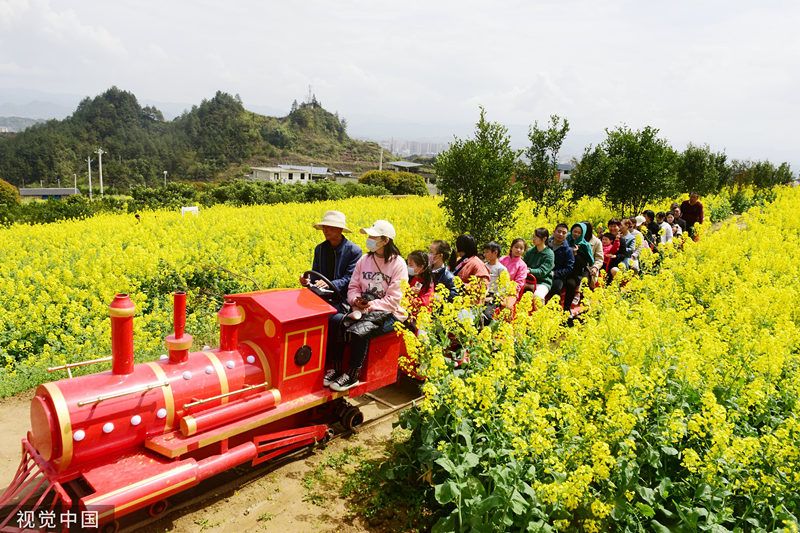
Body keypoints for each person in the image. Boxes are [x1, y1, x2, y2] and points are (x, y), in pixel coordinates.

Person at [326, 220, 407, 392]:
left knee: (361, 329)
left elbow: (393, 300)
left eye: (373, 236)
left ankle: (353, 374)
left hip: (390, 313)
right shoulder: (364, 260)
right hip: (362, 308)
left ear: (385, 241)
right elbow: (353, 287)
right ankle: (336, 368)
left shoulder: (398, 264)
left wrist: (369, 306)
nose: (369, 239)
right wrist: (355, 300)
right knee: (339, 322)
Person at [300, 210, 362, 299]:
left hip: (342, 298)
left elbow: (350, 278)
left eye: (329, 227)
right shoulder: (320, 249)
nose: (325, 230)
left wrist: (330, 284)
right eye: (324, 227)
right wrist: (307, 280)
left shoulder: (354, 251)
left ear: (340, 229)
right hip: (321, 295)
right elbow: (315, 273)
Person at [451, 234, 490, 301]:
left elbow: (482, 287)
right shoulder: (462, 260)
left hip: (469, 306)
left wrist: (460, 285)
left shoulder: (477, 264)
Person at [564, 223, 593, 310]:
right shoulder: (565, 240)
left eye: (579, 233)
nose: (576, 234)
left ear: (583, 234)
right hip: (565, 269)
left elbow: (585, 263)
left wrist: (575, 254)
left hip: (578, 272)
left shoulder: (585, 246)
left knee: (571, 284)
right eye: (574, 231)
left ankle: (567, 308)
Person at [522, 228, 555, 302]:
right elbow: (523, 264)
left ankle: (540, 313)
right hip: (527, 280)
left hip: (542, 282)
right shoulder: (530, 251)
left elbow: (542, 271)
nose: (533, 239)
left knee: (538, 296)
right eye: (533, 236)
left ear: (544, 239)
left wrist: (529, 270)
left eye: (536, 237)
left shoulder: (549, 254)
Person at [545, 223, 575, 304]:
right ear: (554, 232)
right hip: (543, 272)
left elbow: (569, 268)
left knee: (556, 287)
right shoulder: (546, 244)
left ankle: (555, 310)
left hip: (558, 276)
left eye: (564, 233)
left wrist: (554, 273)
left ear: (566, 235)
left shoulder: (568, 250)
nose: (561, 234)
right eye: (559, 231)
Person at [406, 250, 434, 321]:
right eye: (408, 264)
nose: (408, 267)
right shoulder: (412, 277)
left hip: (420, 320)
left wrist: (407, 296)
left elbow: (424, 302)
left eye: (411, 265)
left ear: (421, 267)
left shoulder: (428, 282)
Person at [583, 222, 604, 288]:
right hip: (574, 267)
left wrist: (595, 267)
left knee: (584, 280)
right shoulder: (573, 238)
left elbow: (599, 259)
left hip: (588, 268)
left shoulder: (597, 242)